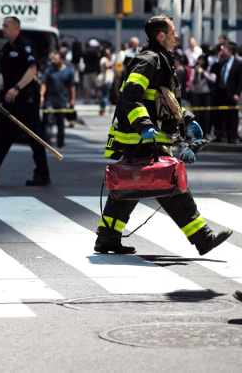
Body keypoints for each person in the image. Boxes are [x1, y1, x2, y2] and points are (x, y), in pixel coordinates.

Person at [95, 14, 232, 256]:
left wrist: (187, 119)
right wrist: (145, 126)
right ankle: (203, 238)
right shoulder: (150, 60)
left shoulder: (161, 59)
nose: (177, 36)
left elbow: (164, 98)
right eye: (173, 32)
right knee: (169, 183)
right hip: (144, 138)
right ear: (161, 35)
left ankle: (107, 239)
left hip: (147, 138)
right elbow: (130, 96)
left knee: (130, 185)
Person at [0, 16, 51, 186]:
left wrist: (17, 88)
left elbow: (32, 69)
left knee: (33, 136)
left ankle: (43, 173)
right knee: (1, 136)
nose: (3, 29)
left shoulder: (25, 46)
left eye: (6, 26)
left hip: (26, 99)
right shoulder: (6, 48)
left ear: (16, 28)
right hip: (10, 101)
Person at [40, 51, 75, 149]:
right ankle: (47, 142)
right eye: (52, 59)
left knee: (60, 122)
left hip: (62, 100)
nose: (53, 61)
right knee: (48, 121)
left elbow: (72, 86)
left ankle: (61, 142)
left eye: (55, 59)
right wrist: (41, 95)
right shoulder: (49, 70)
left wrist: (72, 99)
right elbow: (44, 83)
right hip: (50, 100)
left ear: (61, 60)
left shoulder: (69, 71)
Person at [210, 42, 242, 143]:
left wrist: (237, 93)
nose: (223, 52)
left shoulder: (238, 63)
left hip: (231, 93)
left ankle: (231, 136)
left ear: (230, 52)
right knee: (218, 114)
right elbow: (213, 70)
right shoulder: (222, 62)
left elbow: (240, 81)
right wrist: (219, 59)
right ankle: (218, 135)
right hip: (220, 92)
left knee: (231, 115)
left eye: (224, 51)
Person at [188, 54, 214, 134]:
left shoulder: (208, 69)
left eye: (202, 60)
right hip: (196, 94)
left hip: (205, 94)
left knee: (205, 115)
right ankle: (197, 133)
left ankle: (205, 133)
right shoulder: (195, 70)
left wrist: (203, 72)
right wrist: (195, 73)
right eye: (199, 60)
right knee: (197, 115)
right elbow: (191, 84)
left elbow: (212, 80)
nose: (200, 62)